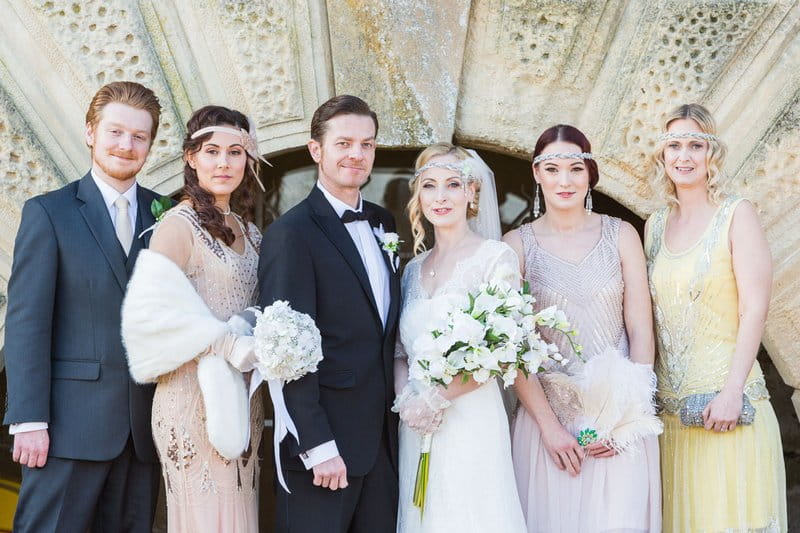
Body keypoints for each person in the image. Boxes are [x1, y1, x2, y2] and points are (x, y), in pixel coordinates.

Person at [3, 81, 162, 532]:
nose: (126, 145)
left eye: (139, 136)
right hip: (66, 430)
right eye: (115, 132)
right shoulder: (49, 213)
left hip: (142, 433)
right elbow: (26, 323)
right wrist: (29, 418)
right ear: (91, 132)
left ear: (150, 144)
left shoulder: (167, 214)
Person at [505, 125, 661, 532]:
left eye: (575, 168)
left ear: (590, 173)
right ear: (537, 174)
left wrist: (627, 416)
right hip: (548, 427)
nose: (565, 180)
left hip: (619, 424)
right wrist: (551, 428)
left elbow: (641, 332)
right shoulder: (516, 247)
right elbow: (513, 349)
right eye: (552, 169)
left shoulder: (621, 235)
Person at [259, 95, 400, 532]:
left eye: (367, 144)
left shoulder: (384, 223)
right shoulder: (290, 233)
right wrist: (317, 444)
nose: (356, 154)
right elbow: (288, 350)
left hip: (383, 443)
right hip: (324, 447)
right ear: (316, 150)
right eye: (344, 143)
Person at [121, 105, 266, 532]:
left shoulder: (252, 233)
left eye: (236, 153)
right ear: (190, 157)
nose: (224, 163)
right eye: (212, 151)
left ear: (248, 160)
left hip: (242, 399)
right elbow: (148, 312)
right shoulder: (177, 226)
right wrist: (227, 344)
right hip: (191, 398)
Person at [645, 103, 786, 532]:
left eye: (695, 144)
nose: (683, 156)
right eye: (674, 145)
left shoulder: (736, 214)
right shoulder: (653, 225)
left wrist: (732, 391)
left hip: (727, 411)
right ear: (662, 155)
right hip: (672, 419)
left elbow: (754, 308)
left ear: (712, 154)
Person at [394, 142, 527, 532]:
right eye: (430, 185)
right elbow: (400, 351)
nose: (440, 197)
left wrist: (438, 396)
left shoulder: (495, 259)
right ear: (418, 194)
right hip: (416, 422)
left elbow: (503, 351)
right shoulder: (411, 270)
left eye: (452, 184)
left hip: (471, 418)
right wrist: (408, 401)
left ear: (472, 192)